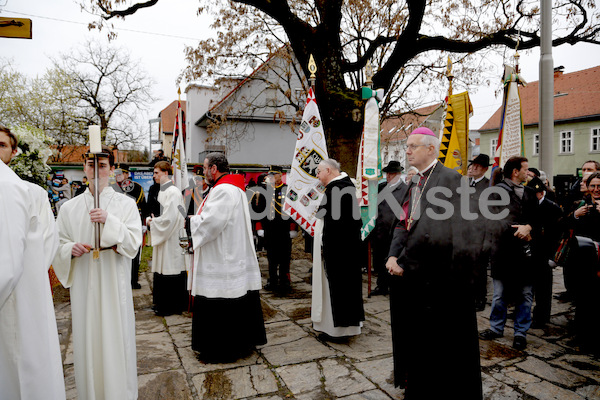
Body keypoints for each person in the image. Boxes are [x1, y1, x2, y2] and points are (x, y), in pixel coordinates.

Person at [384, 127, 482, 399]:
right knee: (416, 342)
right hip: (413, 278)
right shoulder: (415, 181)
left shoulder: (452, 180)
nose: (407, 151)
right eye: (407, 146)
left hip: (441, 279)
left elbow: (444, 234)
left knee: (441, 346)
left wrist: (403, 261)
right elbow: (404, 223)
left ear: (430, 149)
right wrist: (393, 255)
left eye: (413, 146)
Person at [53, 146, 142, 399]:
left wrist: (109, 221)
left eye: (102, 166)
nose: (96, 171)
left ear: (112, 170)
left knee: (115, 335)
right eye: (91, 165)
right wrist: (70, 248)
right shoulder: (69, 208)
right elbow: (57, 243)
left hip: (113, 276)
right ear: (84, 168)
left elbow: (134, 242)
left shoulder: (125, 204)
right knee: (88, 335)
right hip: (84, 277)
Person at [0, 126, 66, 400]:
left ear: (14, 152)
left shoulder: (26, 191)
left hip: (18, 297)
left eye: (2, 145)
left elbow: (48, 245)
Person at [188, 152, 266, 362]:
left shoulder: (223, 190)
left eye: (204, 168)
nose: (203, 172)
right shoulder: (235, 188)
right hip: (232, 250)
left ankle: (221, 349)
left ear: (214, 169)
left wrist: (191, 222)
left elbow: (212, 223)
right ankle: (241, 344)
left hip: (222, 256)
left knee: (221, 299)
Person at [480, 156, 540, 351]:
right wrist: (519, 231)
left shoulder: (531, 193)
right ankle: (496, 328)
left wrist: (529, 227)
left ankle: (520, 333)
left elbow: (538, 220)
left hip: (525, 254)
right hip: (502, 252)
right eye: (525, 169)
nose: (528, 172)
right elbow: (491, 221)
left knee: (525, 294)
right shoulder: (494, 192)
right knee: (499, 295)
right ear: (515, 171)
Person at [312, 159, 365, 340]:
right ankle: (343, 327)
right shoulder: (341, 186)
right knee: (345, 289)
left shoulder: (338, 189)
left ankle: (339, 331)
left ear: (328, 170)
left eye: (319, 172)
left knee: (340, 290)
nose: (317, 176)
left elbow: (341, 224)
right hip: (344, 249)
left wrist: (325, 243)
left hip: (340, 251)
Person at [147, 161, 188, 316]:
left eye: (156, 172)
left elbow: (169, 219)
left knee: (171, 268)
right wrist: (156, 221)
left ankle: (171, 306)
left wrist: (152, 222)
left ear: (165, 172)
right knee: (163, 269)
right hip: (166, 235)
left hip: (172, 237)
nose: (154, 176)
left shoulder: (173, 192)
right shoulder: (163, 191)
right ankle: (162, 302)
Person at [527, 177, 562, 328]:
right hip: (530, 251)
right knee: (528, 287)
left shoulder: (552, 208)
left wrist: (553, 256)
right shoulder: (529, 206)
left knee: (543, 288)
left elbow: (557, 235)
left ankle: (541, 317)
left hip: (545, 253)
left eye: (534, 194)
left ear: (541, 193)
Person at [256, 165, 297, 293]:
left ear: (281, 175)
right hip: (270, 229)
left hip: (284, 230)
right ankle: (272, 280)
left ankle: (285, 281)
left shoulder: (288, 190)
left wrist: (293, 228)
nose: (272, 177)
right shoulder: (264, 191)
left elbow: (294, 211)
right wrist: (259, 228)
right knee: (271, 257)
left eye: (274, 175)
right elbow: (259, 211)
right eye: (270, 175)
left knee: (285, 257)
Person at [370, 160, 407, 296]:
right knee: (379, 260)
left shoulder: (405, 190)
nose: (388, 177)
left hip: (394, 232)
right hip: (379, 230)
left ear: (398, 174)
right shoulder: (382, 187)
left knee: (392, 259)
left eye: (391, 174)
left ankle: (393, 286)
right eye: (387, 174)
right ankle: (381, 286)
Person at [114, 166, 148, 289]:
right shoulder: (112, 187)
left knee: (134, 252)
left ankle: (133, 281)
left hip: (133, 222)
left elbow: (143, 206)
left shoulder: (136, 187)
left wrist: (143, 223)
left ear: (127, 174)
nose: (118, 175)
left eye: (121, 173)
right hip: (116, 223)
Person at [467, 154, 492, 311]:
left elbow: (490, 216)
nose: (474, 167)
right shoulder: (466, 184)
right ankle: (469, 296)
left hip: (480, 235)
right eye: (473, 165)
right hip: (465, 234)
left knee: (479, 270)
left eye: (477, 165)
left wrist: (487, 240)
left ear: (485, 168)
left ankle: (480, 298)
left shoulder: (489, 187)